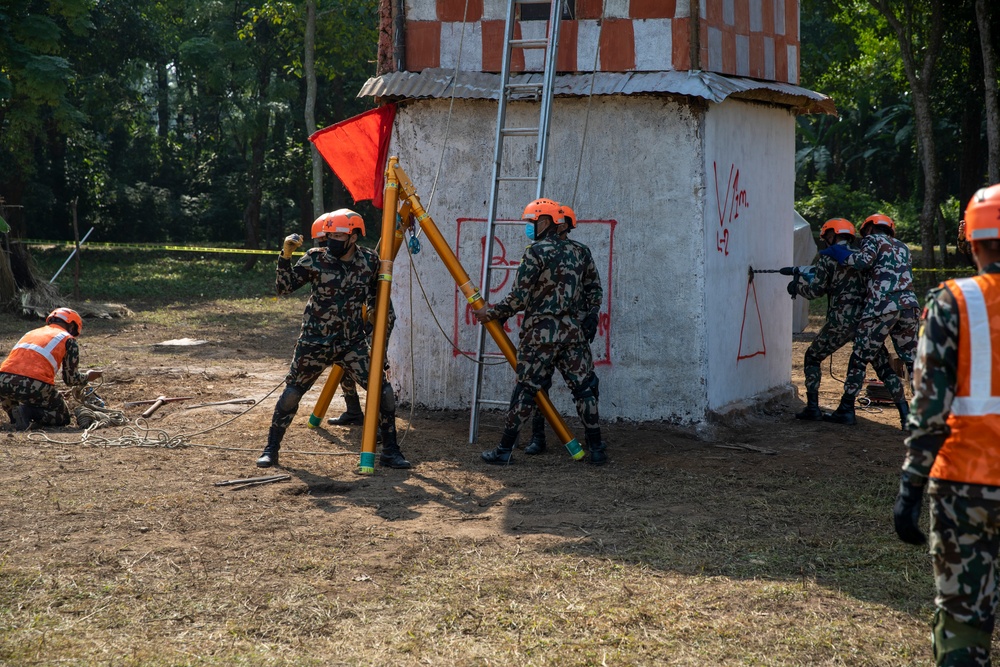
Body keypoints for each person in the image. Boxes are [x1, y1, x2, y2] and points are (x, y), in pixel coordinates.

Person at [892, 183, 1000, 666]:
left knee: (961, 622)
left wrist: (911, 483)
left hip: (965, 486)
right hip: (965, 481)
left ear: (970, 240)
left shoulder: (955, 301)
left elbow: (930, 404)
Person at [256, 209, 410, 469]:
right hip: (315, 341)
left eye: (338, 235)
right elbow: (283, 287)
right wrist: (285, 255)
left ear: (353, 236)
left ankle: (391, 450)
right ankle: (271, 449)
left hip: (352, 342)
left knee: (384, 393)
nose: (332, 241)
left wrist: (377, 339)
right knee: (292, 394)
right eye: (329, 236)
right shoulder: (315, 259)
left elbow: (381, 304)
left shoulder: (370, 261)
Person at [472, 198, 606, 465]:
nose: (529, 227)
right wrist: (590, 316)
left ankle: (504, 450)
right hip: (573, 333)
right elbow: (594, 288)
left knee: (526, 390)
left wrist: (492, 313)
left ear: (544, 221)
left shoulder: (535, 253)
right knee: (585, 390)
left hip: (540, 335)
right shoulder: (581, 252)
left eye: (531, 222)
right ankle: (597, 449)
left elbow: (519, 298)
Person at [789, 218, 909, 427]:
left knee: (812, 357)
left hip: (840, 322)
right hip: (867, 322)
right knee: (883, 367)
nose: (825, 240)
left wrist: (796, 286)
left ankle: (813, 408)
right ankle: (906, 415)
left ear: (833, 234)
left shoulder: (828, 258)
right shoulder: (863, 256)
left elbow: (815, 291)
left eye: (826, 235)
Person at [820, 213, 919, 426]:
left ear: (871, 228)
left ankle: (846, 408)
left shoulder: (872, 240)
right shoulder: (903, 247)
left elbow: (863, 262)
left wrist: (841, 254)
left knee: (859, 357)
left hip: (882, 307)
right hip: (909, 306)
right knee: (912, 361)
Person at [519, 204, 600, 455]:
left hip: (560, 333)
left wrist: (591, 315)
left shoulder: (578, 253)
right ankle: (538, 437)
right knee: (541, 388)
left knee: (582, 387)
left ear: (561, 225)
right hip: (552, 332)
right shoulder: (539, 252)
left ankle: (593, 443)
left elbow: (592, 288)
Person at [0, 308, 102, 430]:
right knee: (62, 417)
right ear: (72, 326)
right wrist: (88, 376)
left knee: (10, 392)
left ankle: (17, 418)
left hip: (2, 380)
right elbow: (71, 380)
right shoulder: (68, 339)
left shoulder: (31, 333)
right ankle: (27, 412)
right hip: (33, 385)